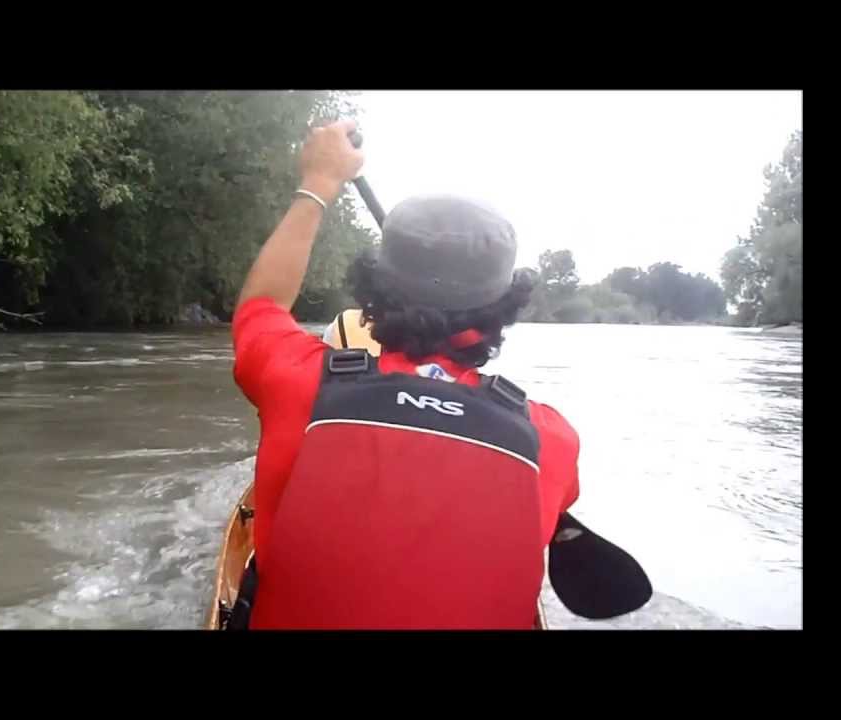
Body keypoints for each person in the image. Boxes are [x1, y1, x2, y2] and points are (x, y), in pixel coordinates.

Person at [230, 119, 581, 629]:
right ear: (503, 311)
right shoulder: (551, 440)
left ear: (371, 291)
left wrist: (319, 183)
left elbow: (260, 308)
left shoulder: (297, 383)